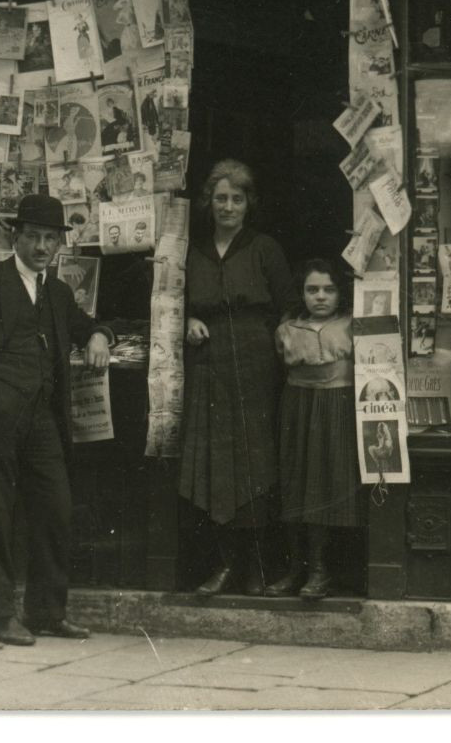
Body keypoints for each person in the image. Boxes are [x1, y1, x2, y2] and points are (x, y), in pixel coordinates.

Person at [0, 194, 113, 646]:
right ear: (16, 236)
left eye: (51, 239)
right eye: (34, 236)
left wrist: (101, 337)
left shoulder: (57, 292)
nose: (43, 247)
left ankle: (47, 612)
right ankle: (1, 615)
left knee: (56, 510)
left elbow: (85, 325)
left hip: (42, 419)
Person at [181, 159, 294, 597]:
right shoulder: (193, 251)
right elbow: (177, 301)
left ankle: (258, 568)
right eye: (221, 198)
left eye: (237, 199)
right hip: (209, 365)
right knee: (217, 466)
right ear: (209, 202)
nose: (228, 206)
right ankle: (225, 564)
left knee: (257, 464)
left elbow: (287, 306)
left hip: (256, 364)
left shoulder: (265, 248)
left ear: (249, 204)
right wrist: (189, 319)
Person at [267, 260, 359, 602]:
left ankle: (322, 569)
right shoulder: (287, 329)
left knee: (328, 482)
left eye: (329, 290)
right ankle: (296, 567)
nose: (320, 297)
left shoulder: (351, 325)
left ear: (341, 293)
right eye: (312, 290)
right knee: (295, 481)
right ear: (301, 294)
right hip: (298, 406)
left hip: (337, 405)